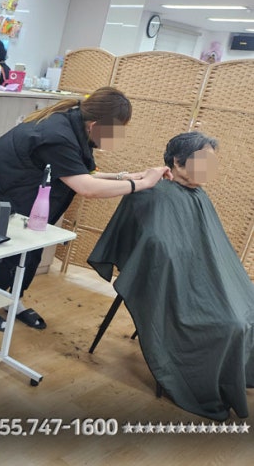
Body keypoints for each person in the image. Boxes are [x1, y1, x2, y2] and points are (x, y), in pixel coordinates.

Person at [0, 87, 172, 331]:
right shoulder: (57, 135)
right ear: (95, 125)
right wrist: (142, 184)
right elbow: (86, 187)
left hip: (21, 191)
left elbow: (82, 173)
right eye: (115, 130)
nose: (117, 136)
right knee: (16, 250)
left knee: (32, 250)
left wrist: (128, 176)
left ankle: (13, 299)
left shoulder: (75, 126)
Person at [88, 132, 254, 421]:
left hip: (203, 282)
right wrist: (174, 260)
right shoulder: (149, 193)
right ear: (177, 161)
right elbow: (152, 245)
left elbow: (215, 251)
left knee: (248, 310)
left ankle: (231, 376)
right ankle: (201, 384)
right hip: (171, 284)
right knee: (232, 324)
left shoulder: (199, 196)